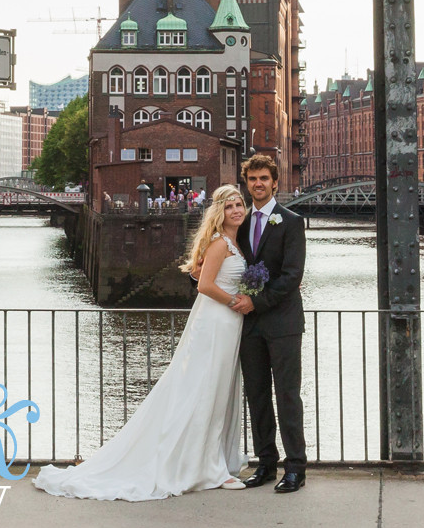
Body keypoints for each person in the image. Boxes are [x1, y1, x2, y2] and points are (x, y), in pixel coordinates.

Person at [33, 185, 248, 502]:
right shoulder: (220, 244)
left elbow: (207, 273)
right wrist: (235, 301)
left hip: (228, 324)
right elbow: (203, 285)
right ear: (219, 212)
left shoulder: (233, 243)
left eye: (239, 204)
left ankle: (212, 459)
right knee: (205, 391)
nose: (236, 210)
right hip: (217, 323)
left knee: (218, 392)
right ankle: (205, 465)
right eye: (229, 206)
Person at [231, 154, 307, 494]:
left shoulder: (291, 221)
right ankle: (265, 463)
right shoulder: (240, 222)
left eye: (264, 178)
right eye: (252, 179)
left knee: (287, 395)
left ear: (274, 182)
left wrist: (255, 301)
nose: (258, 184)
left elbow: (292, 276)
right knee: (257, 395)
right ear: (246, 184)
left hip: (284, 323)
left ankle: (295, 468)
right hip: (249, 326)